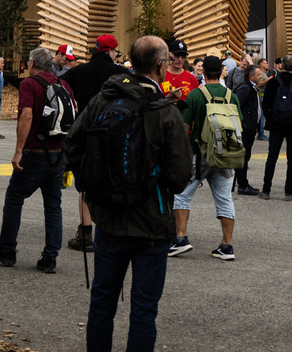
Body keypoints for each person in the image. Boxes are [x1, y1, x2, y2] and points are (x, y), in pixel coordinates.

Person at [65, 35, 191, 352]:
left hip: (107, 219)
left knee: (102, 304)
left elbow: (73, 145)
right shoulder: (165, 111)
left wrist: (94, 186)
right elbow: (179, 177)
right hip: (152, 222)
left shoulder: (102, 101)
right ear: (161, 66)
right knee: (144, 311)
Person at [0, 47, 74, 273]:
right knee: (53, 205)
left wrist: (18, 150)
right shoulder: (64, 85)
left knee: (15, 198)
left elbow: (26, 115)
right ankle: (50, 257)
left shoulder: (29, 84)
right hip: (58, 151)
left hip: (35, 151)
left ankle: (7, 248)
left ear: (32, 63)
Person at [62, 33, 129, 251]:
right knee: (112, 180)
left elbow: (61, 89)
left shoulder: (77, 72)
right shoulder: (120, 73)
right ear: (110, 52)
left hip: (84, 132)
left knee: (85, 184)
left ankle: (85, 232)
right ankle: (111, 230)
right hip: (114, 133)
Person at [169, 55, 240, 260]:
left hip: (199, 155)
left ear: (204, 72)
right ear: (221, 71)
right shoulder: (231, 96)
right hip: (226, 155)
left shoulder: (195, 95)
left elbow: (185, 128)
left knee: (182, 196)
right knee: (224, 199)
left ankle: (181, 238)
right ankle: (226, 246)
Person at [259, 55, 292, 200]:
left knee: (272, 157)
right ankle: (288, 192)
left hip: (276, 124)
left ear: (281, 66)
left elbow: (266, 104)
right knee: (291, 158)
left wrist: (270, 118)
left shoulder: (274, 82)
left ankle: (266, 190)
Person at [234, 62, 262, 195]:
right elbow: (236, 104)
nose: (260, 76)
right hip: (245, 128)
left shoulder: (252, 87)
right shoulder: (245, 88)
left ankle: (242, 182)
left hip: (249, 127)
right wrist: (243, 122)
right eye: (258, 75)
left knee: (246, 156)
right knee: (243, 157)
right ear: (251, 76)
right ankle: (242, 185)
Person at [163, 40, 198, 105]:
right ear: (169, 55)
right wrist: (169, 97)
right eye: (176, 56)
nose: (180, 60)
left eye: (183, 57)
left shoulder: (192, 79)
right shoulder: (160, 76)